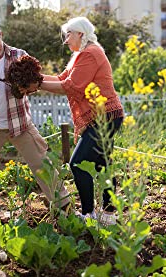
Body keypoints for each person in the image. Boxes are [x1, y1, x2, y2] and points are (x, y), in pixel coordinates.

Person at [19, 17, 124, 225]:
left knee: (77, 163)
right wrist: (34, 78)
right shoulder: (81, 55)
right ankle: (109, 214)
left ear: (81, 34)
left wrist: (36, 84)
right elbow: (61, 79)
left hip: (104, 116)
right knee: (104, 164)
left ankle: (89, 214)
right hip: (105, 115)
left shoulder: (91, 54)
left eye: (69, 34)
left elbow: (71, 86)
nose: (66, 40)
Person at [0, 18, 69, 210]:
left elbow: (34, 84)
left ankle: (65, 209)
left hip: (20, 124)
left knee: (44, 166)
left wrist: (26, 86)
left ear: (1, 35)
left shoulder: (19, 56)